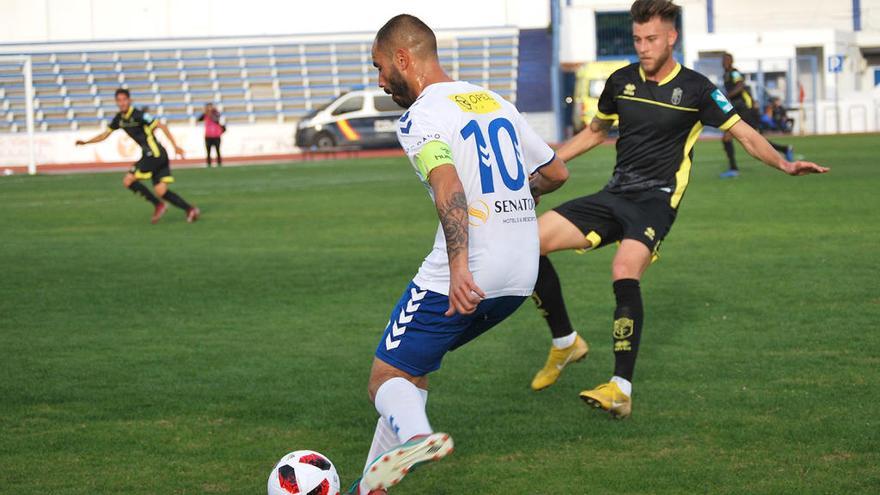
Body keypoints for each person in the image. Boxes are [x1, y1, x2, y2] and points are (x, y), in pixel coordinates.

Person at [528, 0, 828, 418]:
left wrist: (784, 163)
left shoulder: (698, 89)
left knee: (624, 270)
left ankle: (619, 388)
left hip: (655, 203)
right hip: (614, 194)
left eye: (651, 39)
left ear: (672, 37)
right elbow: (595, 133)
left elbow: (743, 133)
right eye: (637, 39)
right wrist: (544, 167)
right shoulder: (620, 81)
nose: (643, 47)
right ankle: (565, 343)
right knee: (528, 243)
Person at [349, 14, 570, 495]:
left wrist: (457, 268)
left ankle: (418, 437)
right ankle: (371, 487)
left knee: (384, 377)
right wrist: (515, 197)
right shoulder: (494, 101)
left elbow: (447, 184)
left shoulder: (421, 116)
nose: (381, 80)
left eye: (381, 67)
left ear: (403, 58)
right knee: (411, 373)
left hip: (470, 271)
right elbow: (556, 174)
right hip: (521, 273)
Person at [76, 88, 200, 223]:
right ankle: (190, 209)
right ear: (116, 102)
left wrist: (175, 146)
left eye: (124, 100)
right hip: (153, 154)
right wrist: (86, 142)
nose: (122, 103)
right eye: (119, 100)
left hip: (154, 154)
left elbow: (161, 126)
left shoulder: (139, 115)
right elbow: (104, 135)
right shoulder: (119, 119)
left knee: (128, 180)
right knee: (161, 191)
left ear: (129, 100)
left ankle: (159, 205)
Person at [719, 52, 794, 178]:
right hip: (738, 108)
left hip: (745, 109)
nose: (724, 62)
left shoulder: (734, 72)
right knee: (753, 137)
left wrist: (728, 95)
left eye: (726, 60)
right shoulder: (726, 75)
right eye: (723, 60)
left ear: (731, 61)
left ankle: (733, 169)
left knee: (731, 137)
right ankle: (785, 149)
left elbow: (740, 85)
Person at [197, 103, 224, 168]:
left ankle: (219, 162)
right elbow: (199, 119)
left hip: (216, 136)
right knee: (208, 151)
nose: (209, 108)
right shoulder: (205, 114)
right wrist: (205, 112)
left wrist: (210, 114)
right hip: (208, 136)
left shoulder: (216, 113)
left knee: (218, 150)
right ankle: (209, 163)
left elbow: (216, 119)